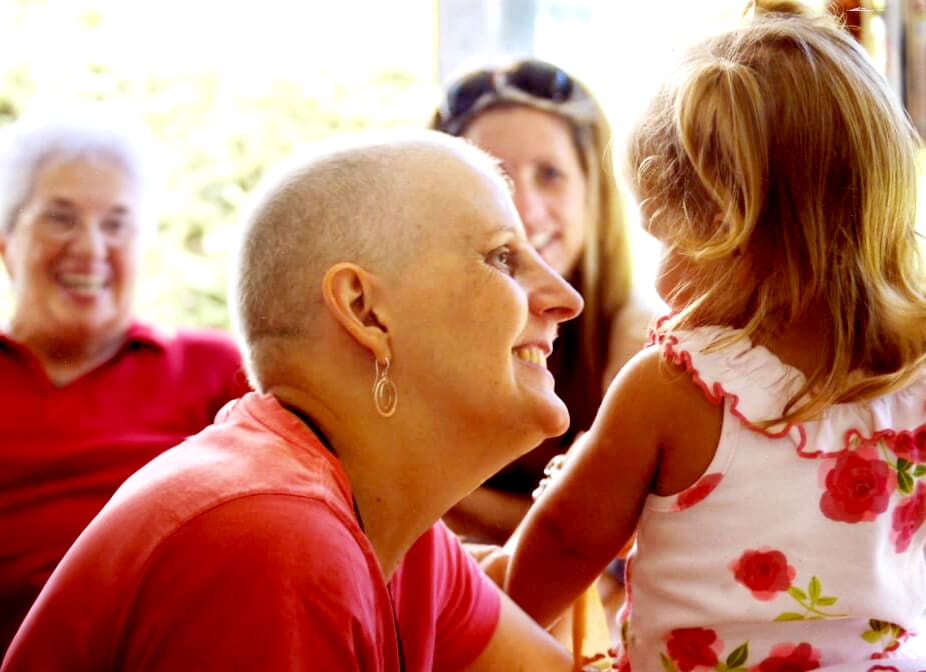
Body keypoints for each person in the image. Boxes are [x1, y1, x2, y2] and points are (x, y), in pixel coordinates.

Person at [2, 130, 585, 670]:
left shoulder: (398, 532)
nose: (566, 297)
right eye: (502, 257)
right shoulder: (272, 540)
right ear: (363, 311)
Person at [505, 2, 926, 669]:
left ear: (749, 235)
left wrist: (478, 631)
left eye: (674, 245)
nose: (664, 284)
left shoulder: (677, 386)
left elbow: (566, 537)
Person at [0, 105, 250, 655]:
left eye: (116, 224)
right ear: (6, 242)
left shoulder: (213, 368)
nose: (90, 248)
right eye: (60, 218)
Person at [432, 58, 662, 545]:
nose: (522, 209)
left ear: (592, 196)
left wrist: (432, 494)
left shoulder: (640, 338)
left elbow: (610, 537)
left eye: (550, 174)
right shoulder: (401, 331)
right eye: (494, 180)